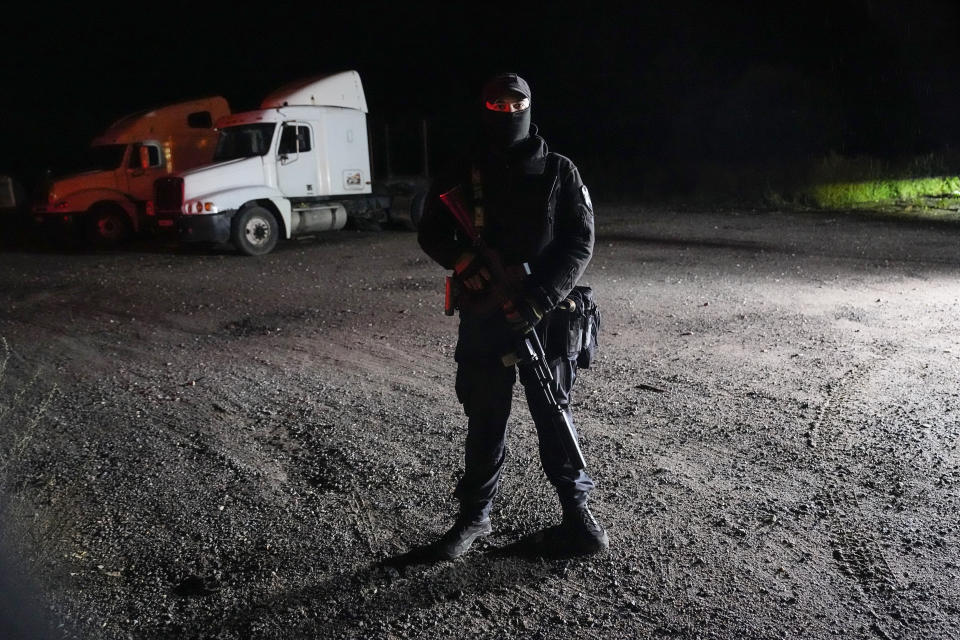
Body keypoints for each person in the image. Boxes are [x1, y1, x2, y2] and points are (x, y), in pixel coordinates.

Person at [417, 72, 607, 559]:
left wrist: (540, 298)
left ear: (529, 108)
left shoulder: (560, 171)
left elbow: (579, 243)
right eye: (496, 107)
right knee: (485, 418)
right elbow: (432, 230)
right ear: (485, 110)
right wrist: (461, 261)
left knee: (552, 411)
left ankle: (579, 519)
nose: (507, 115)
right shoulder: (465, 169)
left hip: (544, 316)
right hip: (486, 315)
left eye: (514, 106)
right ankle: (473, 519)